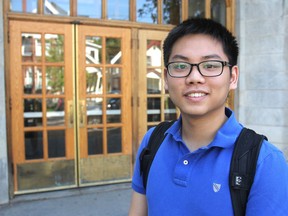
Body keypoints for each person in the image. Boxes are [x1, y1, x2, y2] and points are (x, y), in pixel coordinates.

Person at [129, 18, 288, 216]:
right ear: (166, 79)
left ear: (233, 77)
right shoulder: (153, 141)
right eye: (180, 66)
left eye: (211, 65)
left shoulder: (264, 162)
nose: (194, 77)